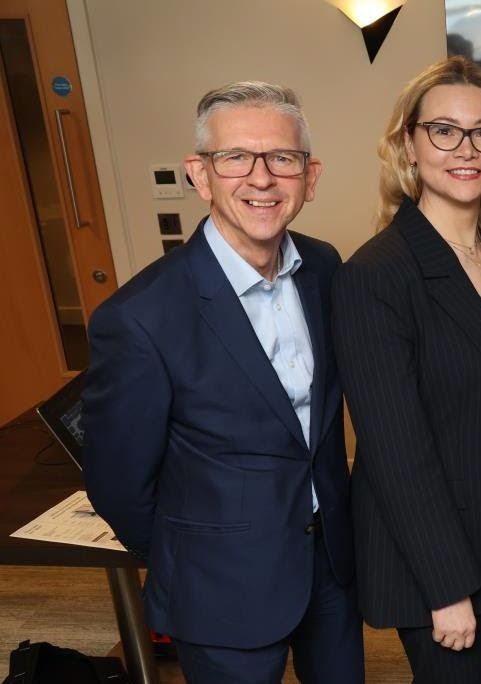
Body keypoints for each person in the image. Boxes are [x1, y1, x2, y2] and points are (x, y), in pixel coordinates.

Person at [81, 82, 364, 683]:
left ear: (309, 177)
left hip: (329, 564)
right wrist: (199, 552)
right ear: (200, 175)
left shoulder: (324, 266)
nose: (261, 179)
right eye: (235, 157)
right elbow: (118, 484)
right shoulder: (139, 317)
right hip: (219, 587)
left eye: (282, 159)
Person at [330, 56, 481, 683]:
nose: (467, 149)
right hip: (442, 568)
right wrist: (446, 588)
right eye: (444, 130)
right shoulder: (376, 276)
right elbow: (395, 452)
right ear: (409, 143)